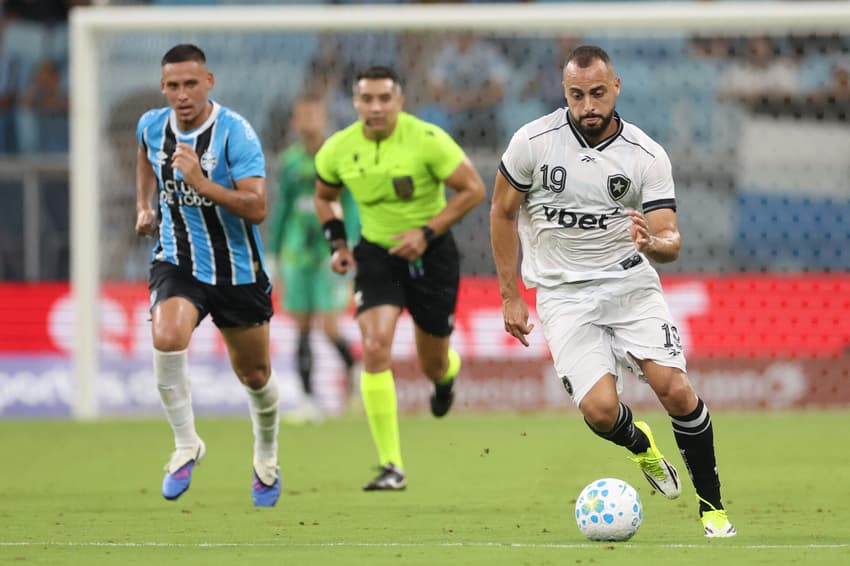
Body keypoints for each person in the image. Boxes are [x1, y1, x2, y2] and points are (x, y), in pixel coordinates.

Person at [490, 45, 736, 538]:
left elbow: (671, 239)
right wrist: (509, 295)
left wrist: (654, 243)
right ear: (565, 93)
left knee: (674, 388)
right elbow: (501, 211)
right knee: (601, 412)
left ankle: (713, 509)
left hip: (629, 284)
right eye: (577, 95)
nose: (588, 106)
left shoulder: (645, 156)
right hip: (562, 296)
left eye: (598, 93)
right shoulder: (533, 142)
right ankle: (640, 444)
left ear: (616, 87)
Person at [313, 66, 486, 491]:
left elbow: (473, 189)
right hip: (376, 254)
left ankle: (445, 378)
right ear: (355, 103)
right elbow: (324, 196)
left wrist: (425, 233)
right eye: (366, 99)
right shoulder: (337, 149)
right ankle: (391, 464)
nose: (375, 107)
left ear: (399, 101)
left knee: (433, 362)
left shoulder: (427, 140)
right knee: (375, 347)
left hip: (433, 253)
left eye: (383, 99)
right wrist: (337, 245)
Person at [135, 44, 281, 507]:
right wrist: (145, 205)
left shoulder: (235, 133)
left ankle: (266, 453)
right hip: (179, 260)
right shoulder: (151, 125)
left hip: (237, 271)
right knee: (167, 335)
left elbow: (258, 207)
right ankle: (185, 444)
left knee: (254, 374)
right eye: (173, 86)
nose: (182, 94)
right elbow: (144, 155)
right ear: (163, 87)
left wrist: (200, 183)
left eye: (191, 84)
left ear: (209, 82)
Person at [266, 95, 359, 422]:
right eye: (302, 115)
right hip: (297, 255)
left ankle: (355, 370)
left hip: (328, 254)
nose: (308, 121)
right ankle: (307, 400)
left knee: (330, 326)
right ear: (294, 121)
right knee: (302, 326)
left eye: (314, 115)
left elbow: (351, 207)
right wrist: (274, 257)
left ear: (324, 118)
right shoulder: (290, 163)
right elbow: (281, 210)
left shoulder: (337, 159)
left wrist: (349, 246)